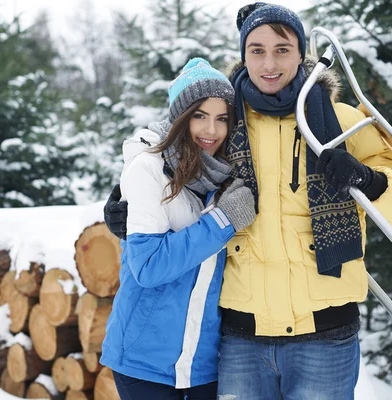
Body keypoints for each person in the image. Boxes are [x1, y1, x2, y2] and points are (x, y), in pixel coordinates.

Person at [105, 3, 392, 399]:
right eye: (256, 50)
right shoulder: (227, 121)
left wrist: (368, 179)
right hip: (243, 340)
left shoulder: (342, 121)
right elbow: (168, 143)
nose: (269, 62)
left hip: (324, 337)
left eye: (282, 49)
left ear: (301, 52)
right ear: (243, 55)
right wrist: (125, 196)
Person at [100, 58, 256, 400]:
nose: (211, 131)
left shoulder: (228, 174)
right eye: (199, 116)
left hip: (204, 364)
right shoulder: (149, 169)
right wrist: (222, 222)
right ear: (179, 118)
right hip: (145, 361)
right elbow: (148, 266)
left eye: (221, 119)